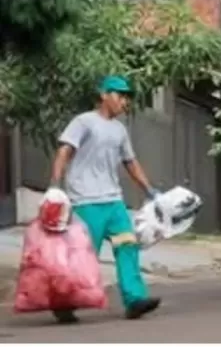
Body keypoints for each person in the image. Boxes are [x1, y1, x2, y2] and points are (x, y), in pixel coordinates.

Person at [47, 75, 162, 323]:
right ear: (104, 95)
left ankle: (134, 300)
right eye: (119, 95)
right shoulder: (83, 122)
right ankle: (63, 303)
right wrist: (55, 187)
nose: (124, 101)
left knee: (128, 246)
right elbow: (64, 151)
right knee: (83, 256)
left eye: (126, 97)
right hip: (86, 202)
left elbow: (130, 162)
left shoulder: (120, 130)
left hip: (113, 202)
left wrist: (149, 190)